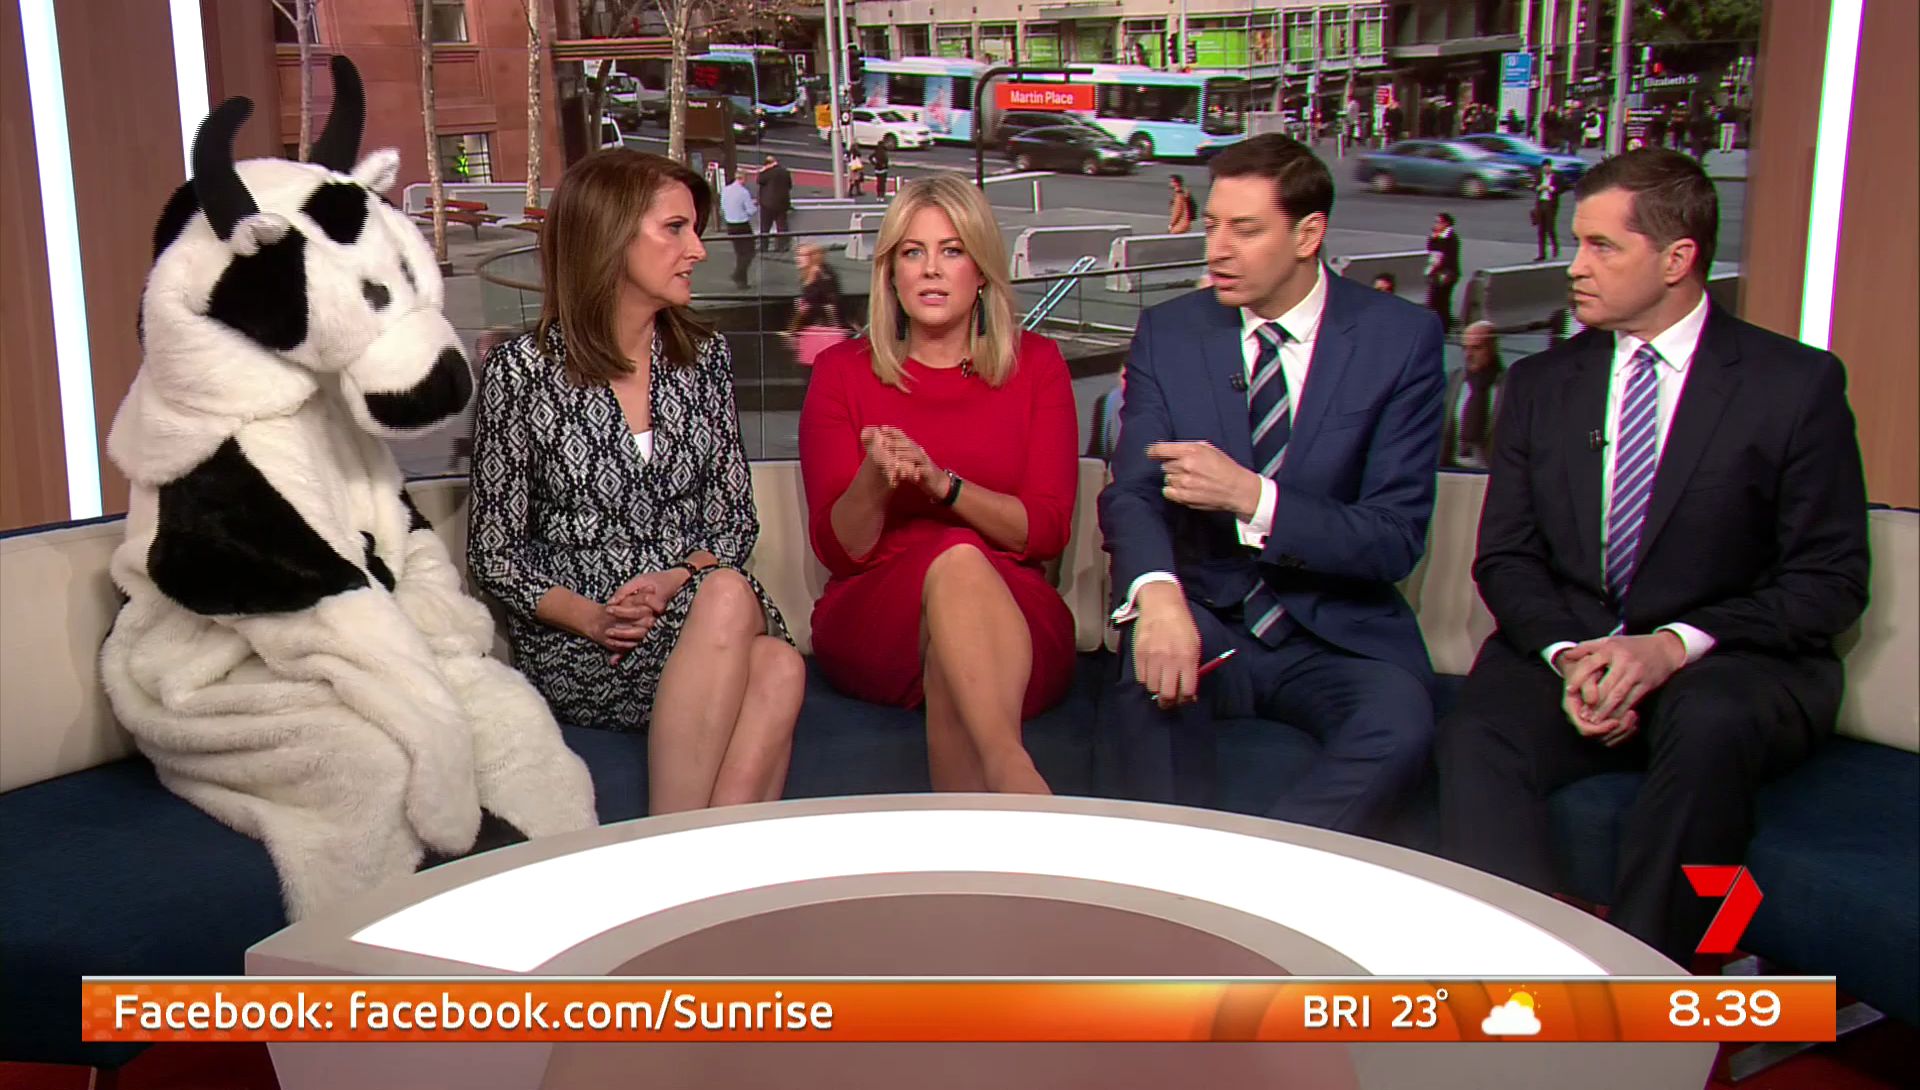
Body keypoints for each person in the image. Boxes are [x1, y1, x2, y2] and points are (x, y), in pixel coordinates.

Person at [1437, 149, 1871, 963]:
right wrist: (1571, 655)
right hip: (1575, 647)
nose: (1576, 266)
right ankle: (1515, 976)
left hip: (1730, 659)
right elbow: (1508, 558)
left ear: (1677, 259)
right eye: (1577, 242)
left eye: (1602, 246)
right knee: (1477, 735)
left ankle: (1649, 984)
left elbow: (1830, 581)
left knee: (1710, 722)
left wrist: (1670, 647)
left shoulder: (1793, 385)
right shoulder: (1542, 387)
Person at [1098, 134, 1445, 833]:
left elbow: (1393, 537)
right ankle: (1168, 886)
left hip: (1337, 632)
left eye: (1245, 230)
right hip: (1205, 612)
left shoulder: (1399, 339)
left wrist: (1251, 498)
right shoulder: (1171, 331)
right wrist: (1158, 597)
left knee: (1399, 727)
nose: (1217, 250)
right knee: (1146, 683)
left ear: (1308, 234)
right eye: (1212, 226)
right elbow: (1133, 491)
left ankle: (1259, 879)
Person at [468, 150, 804, 815]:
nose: (698, 250)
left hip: (697, 609)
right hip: (584, 639)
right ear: (611, 236)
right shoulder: (523, 371)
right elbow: (495, 554)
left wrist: (675, 578)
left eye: (695, 229)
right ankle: (685, 848)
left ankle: (684, 851)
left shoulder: (703, 358)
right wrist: (594, 618)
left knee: (775, 656)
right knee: (757, 637)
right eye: (675, 228)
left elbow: (734, 522)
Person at [799, 174, 1079, 794]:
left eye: (952, 251)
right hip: (879, 613)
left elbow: (1046, 531)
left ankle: (993, 797)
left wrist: (941, 485)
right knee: (954, 561)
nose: (930, 269)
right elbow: (841, 552)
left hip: (1013, 610)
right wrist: (876, 479)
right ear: (891, 274)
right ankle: (1013, 776)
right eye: (912, 252)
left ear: (981, 271)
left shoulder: (1037, 365)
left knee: (960, 568)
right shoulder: (841, 372)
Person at [1442, 321, 1505, 470]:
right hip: (1449, 469)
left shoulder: (1511, 385)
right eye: (1465, 348)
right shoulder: (1451, 382)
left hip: (1492, 471)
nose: (1468, 355)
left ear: (1493, 347)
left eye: (1476, 348)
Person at [785, 242, 850, 367]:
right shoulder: (815, 274)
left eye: (802, 255)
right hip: (817, 330)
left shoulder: (822, 277)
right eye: (797, 255)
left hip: (822, 332)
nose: (797, 259)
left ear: (812, 257)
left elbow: (830, 304)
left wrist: (792, 329)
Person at [1425, 212, 1462, 333]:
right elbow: (1430, 249)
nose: (1435, 224)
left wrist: (1437, 239)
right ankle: (1442, 324)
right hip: (1436, 273)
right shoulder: (1436, 235)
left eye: (1438, 222)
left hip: (1446, 274)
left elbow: (1447, 256)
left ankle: (1444, 327)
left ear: (1446, 223)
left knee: (1440, 301)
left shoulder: (1450, 238)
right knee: (1435, 301)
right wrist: (1434, 238)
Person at [757, 153, 793, 253]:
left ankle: (764, 247)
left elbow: (759, 180)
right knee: (782, 226)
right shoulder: (785, 172)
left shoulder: (766, 172)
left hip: (767, 204)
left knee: (765, 227)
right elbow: (789, 186)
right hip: (782, 203)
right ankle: (782, 246)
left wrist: (762, 171)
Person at [1534, 167, 1562, 261]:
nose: (1546, 169)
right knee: (1541, 230)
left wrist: (1550, 188)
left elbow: (1560, 189)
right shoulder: (1539, 176)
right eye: (1544, 168)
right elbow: (1534, 187)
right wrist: (1539, 187)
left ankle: (1555, 249)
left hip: (1550, 204)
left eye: (1547, 167)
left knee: (1550, 228)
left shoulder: (1556, 177)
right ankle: (1541, 253)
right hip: (1541, 203)